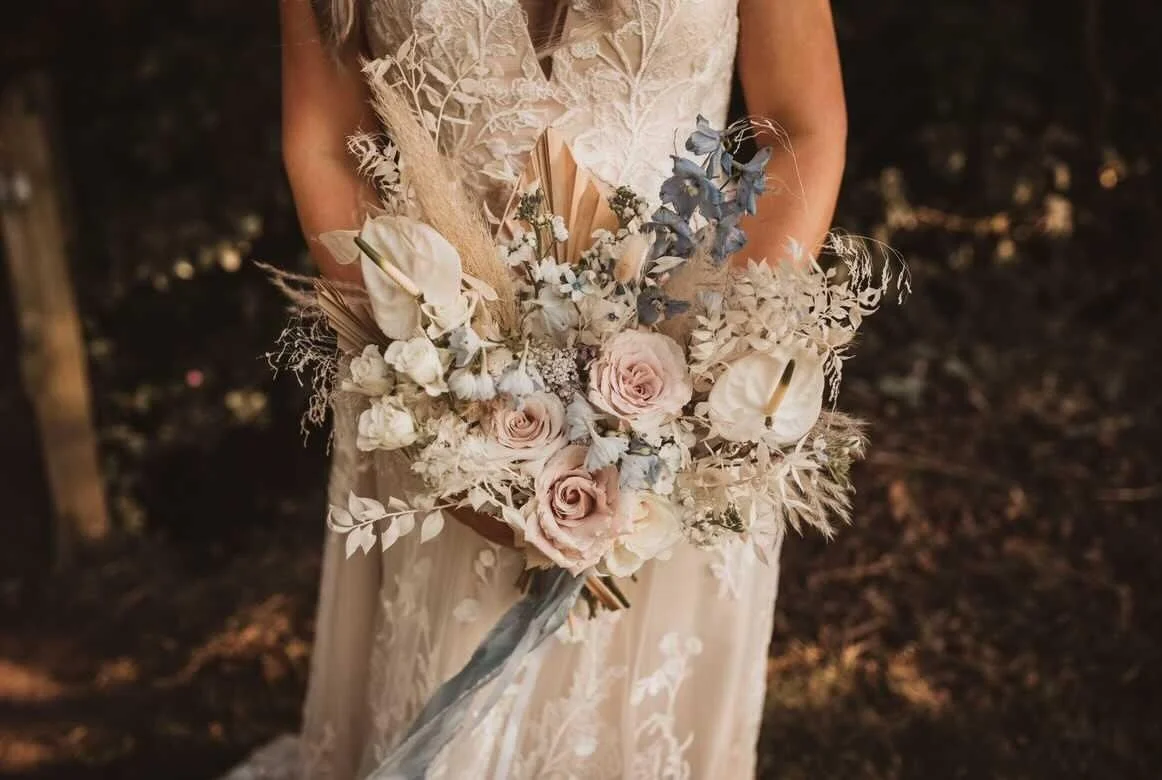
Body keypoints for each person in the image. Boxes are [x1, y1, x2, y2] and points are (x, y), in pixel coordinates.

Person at [279, 0, 846, 776]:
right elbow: (328, 145)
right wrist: (442, 390)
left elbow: (800, 125)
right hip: (439, 405)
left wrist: (714, 378)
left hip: (689, 415)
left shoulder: (701, 405)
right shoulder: (438, 401)